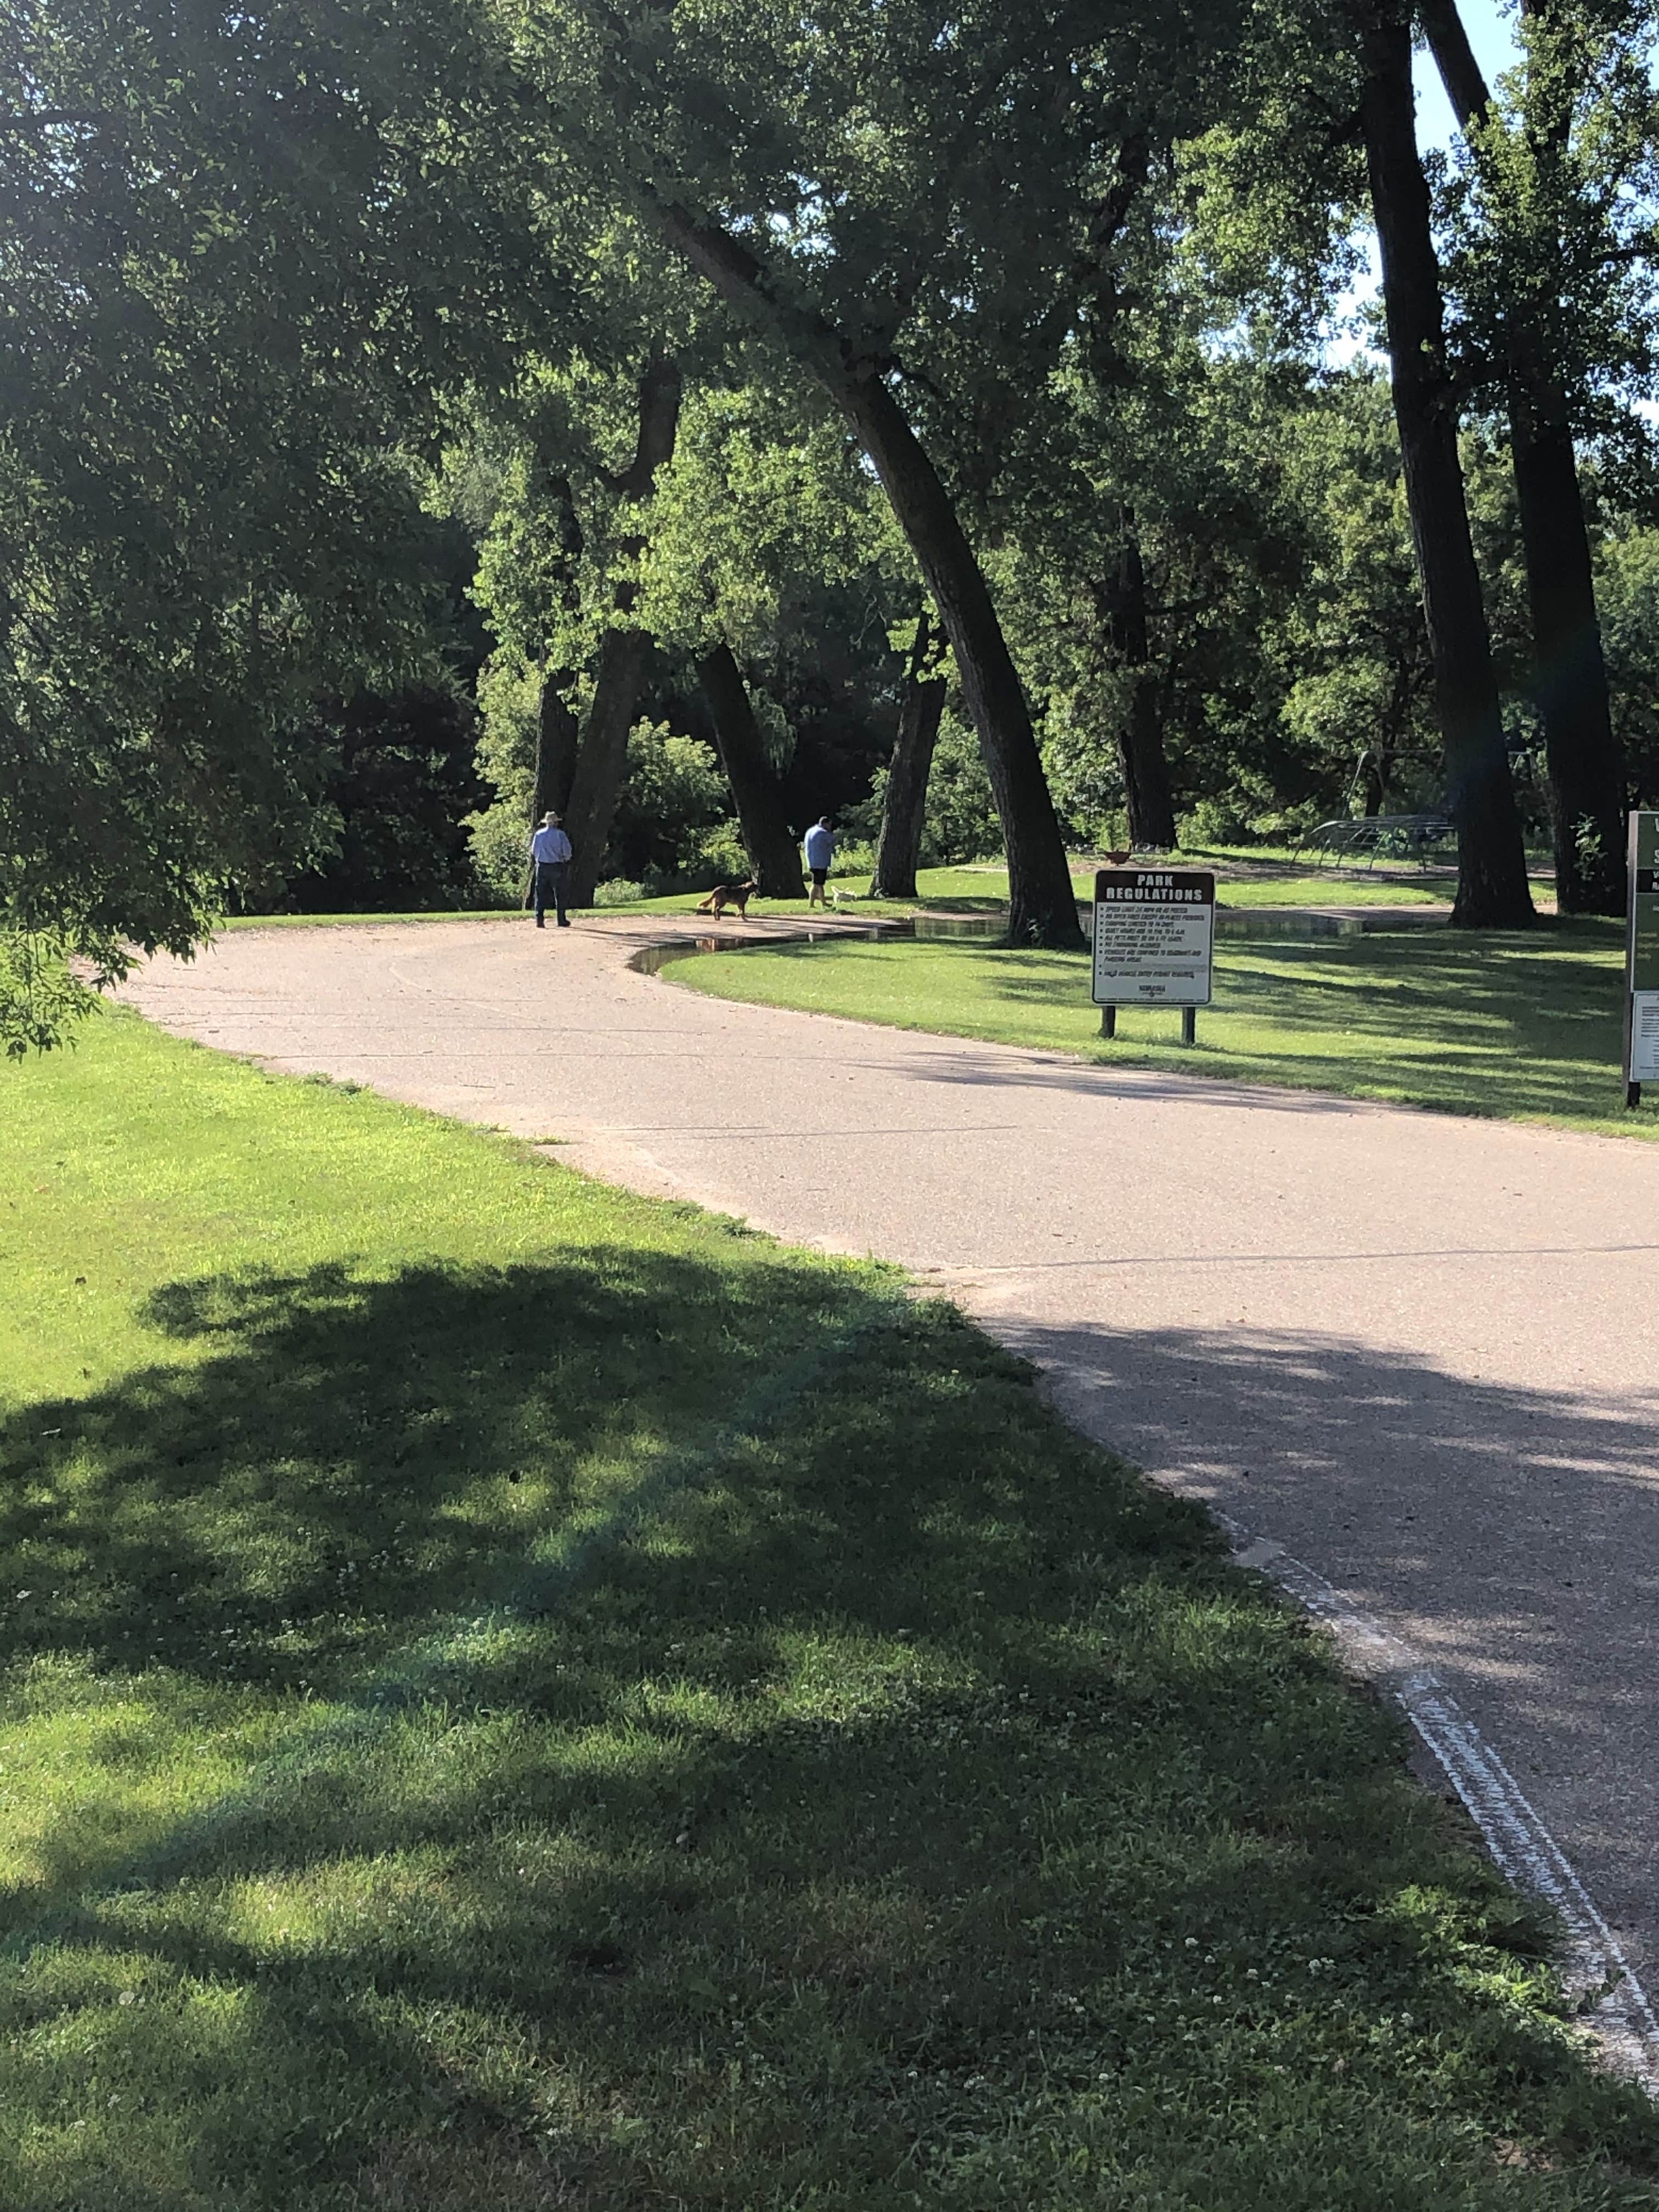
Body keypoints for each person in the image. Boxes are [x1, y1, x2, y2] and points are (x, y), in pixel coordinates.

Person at [529, 811, 573, 928]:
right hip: (557, 865)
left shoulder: (539, 834)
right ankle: (561, 919)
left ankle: (539, 919)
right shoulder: (560, 835)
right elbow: (567, 852)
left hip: (542, 866)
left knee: (540, 893)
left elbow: (533, 851)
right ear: (555, 823)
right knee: (560, 894)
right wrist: (565, 859)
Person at [804, 815, 834, 909]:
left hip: (812, 861)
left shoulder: (810, 831)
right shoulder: (822, 833)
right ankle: (819, 903)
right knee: (818, 884)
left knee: (817, 883)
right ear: (825, 824)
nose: (830, 827)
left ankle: (817, 904)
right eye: (829, 825)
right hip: (820, 862)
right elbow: (832, 839)